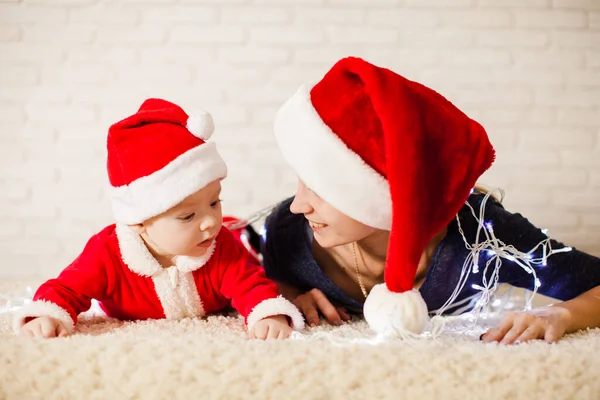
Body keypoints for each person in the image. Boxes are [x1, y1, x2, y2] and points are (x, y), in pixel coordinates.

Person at [260, 56, 600, 343]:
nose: (297, 204)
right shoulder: (288, 231)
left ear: (385, 190)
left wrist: (563, 314)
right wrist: (284, 294)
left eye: (320, 188)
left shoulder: (482, 239)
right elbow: (230, 266)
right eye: (301, 183)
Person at [14, 98, 303, 340]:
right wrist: (46, 313)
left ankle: (246, 232)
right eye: (187, 215)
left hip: (239, 239)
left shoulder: (220, 244)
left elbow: (250, 284)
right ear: (138, 221)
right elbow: (67, 288)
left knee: (249, 247)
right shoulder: (109, 253)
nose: (209, 222)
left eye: (214, 202)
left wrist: (268, 313)